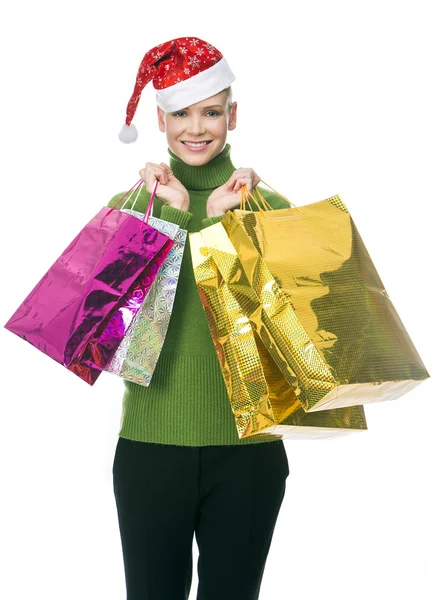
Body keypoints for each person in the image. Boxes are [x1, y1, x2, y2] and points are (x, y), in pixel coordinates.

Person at [109, 36, 291, 600]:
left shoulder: (271, 211)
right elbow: (121, 344)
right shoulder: (130, 211)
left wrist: (221, 229)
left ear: (232, 116)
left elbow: (282, 338)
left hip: (250, 455)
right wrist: (174, 221)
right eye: (181, 113)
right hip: (150, 449)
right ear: (160, 121)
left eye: (211, 111)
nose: (197, 127)